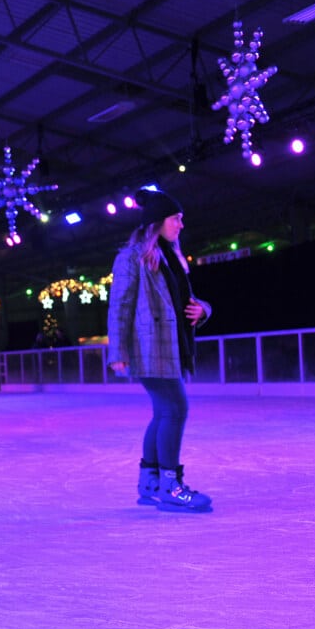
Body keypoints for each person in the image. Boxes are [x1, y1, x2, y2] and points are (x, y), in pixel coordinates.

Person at [107, 187, 214, 512]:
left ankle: (150, 482)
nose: (181, 225)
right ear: (157, 222)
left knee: (163, 412)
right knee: (176, 410)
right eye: (176, 219)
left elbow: (187, 301)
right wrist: (118, 351)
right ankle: (170, 485)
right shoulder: (132, 256)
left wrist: (203, 310)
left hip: (171, 346)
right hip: (149, 347)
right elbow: (120, 305)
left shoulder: (171, 257)